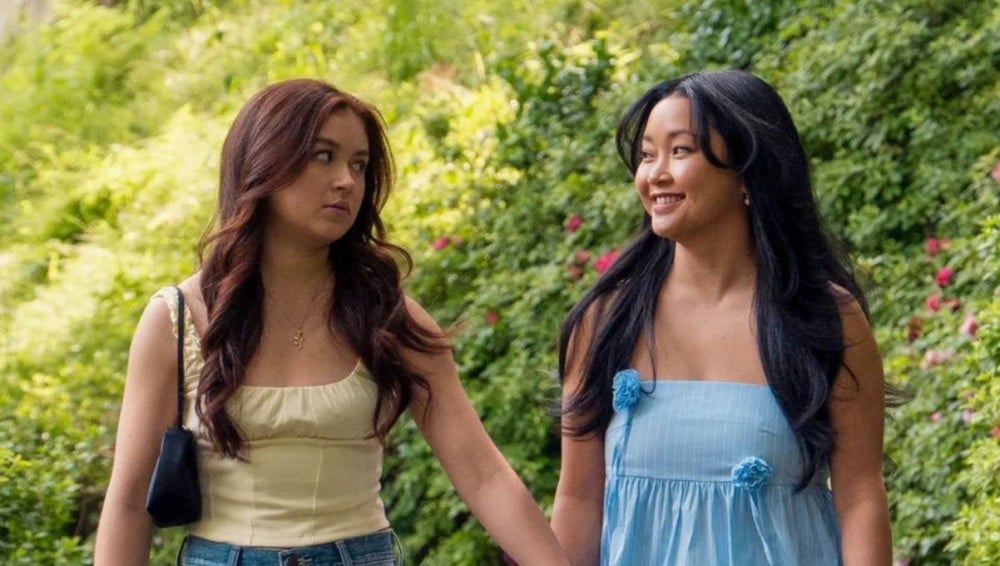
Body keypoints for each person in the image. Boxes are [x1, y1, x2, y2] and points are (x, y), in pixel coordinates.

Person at [94, 78, 571, 566]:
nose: (347, 181)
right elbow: (130, 502)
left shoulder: (388, 316)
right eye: (323, 156)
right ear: (263, 160)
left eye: (359, 165)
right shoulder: (178, 319)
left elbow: (483, 474)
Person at [550, 70, 893, 565]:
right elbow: (578, 499)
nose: (654, 174)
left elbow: (860, 495)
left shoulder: (824, 318)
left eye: (680, 151)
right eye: (647, 155)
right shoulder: (606, 322)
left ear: (747, 172)